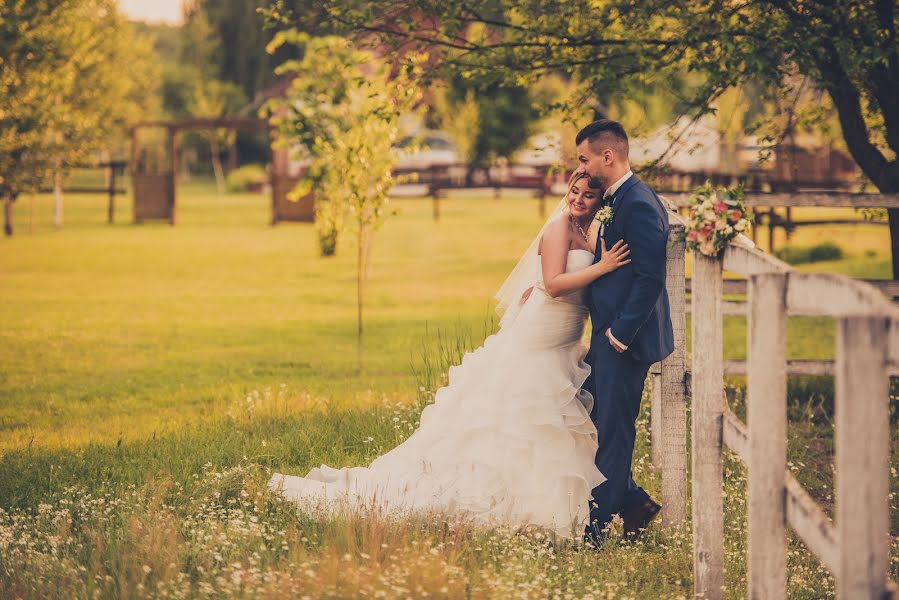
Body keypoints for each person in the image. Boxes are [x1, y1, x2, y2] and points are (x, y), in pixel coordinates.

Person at [268, 171, 631, 541]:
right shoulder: (559, 228)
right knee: (523, 413)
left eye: (589, 194)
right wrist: (601, 267)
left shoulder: (592, 230)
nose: (579, 199)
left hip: (564, 341)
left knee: (551, 417)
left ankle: (556, 500)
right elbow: (553, 284)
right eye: (575, 191)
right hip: (540, 335)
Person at [574, 119, 674, 545]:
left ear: (607, 156)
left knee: (614, 433)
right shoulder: (619, 198)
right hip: (607, 335)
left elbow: (651, 276)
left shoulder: (637, 203)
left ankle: (595, 531)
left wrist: (620, 334)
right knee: (598, 423)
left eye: (585, 158)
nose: (582, 166)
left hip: (623, 341)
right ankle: (635, 503)